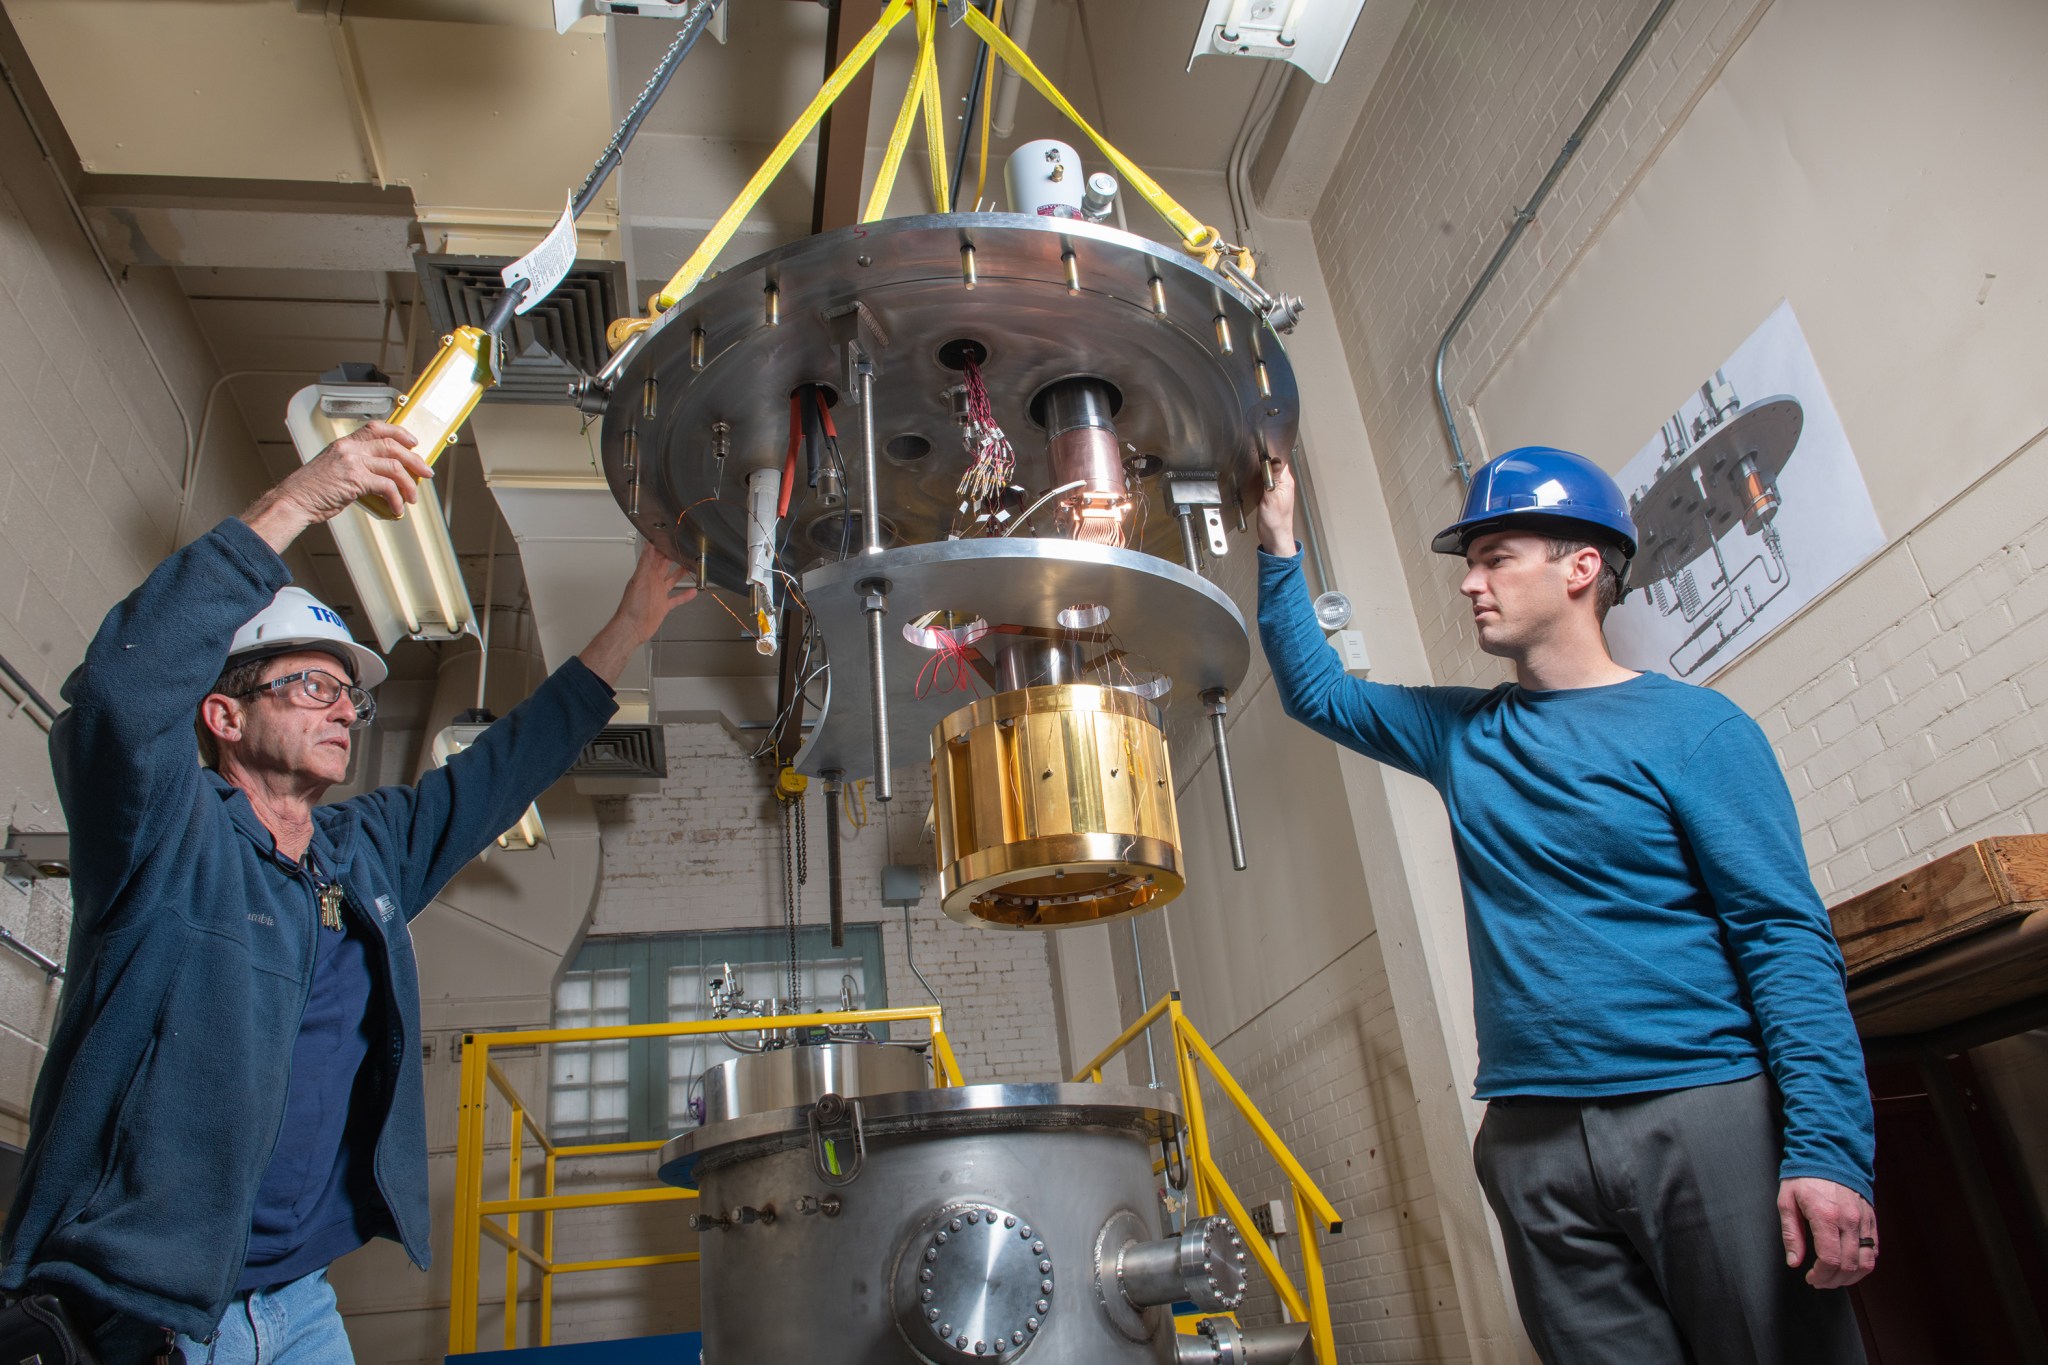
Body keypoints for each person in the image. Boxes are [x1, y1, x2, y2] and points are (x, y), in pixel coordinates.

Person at [1, 421, 696, 1363]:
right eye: (311, 686)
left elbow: (500, 771)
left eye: (350, 695)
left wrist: (629, 627)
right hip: (138, 1313)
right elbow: (121, 697)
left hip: (300, 1308)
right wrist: (300, 500)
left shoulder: (356, 854)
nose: (344, 708)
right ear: (224, 713)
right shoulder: (167, 832)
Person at [1256, 447, 1877, 1364]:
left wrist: (1827, 1151)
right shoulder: (1462, 733)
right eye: (1471, 562)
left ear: (1582, 566)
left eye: (1496, 556)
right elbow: (1319, 693)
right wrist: (1278, 543)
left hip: (1700, 1112)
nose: (1470, 583)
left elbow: (1785, 941)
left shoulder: (1697, 731)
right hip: (1532, 1139)